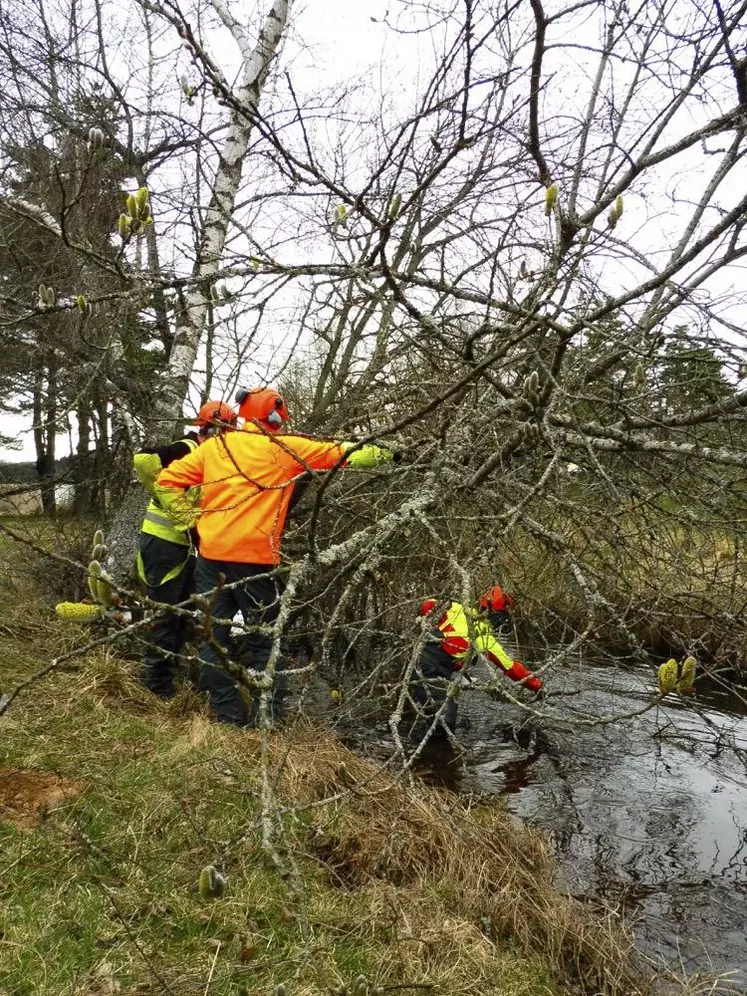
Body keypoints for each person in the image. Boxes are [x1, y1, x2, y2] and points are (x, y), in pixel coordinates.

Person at [154, 385, 396, 726]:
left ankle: (227, 716)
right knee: (265, 641)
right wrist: (392, 451)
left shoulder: (217, 447)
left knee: (212, 638)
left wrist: (188, 519)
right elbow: (344, 454)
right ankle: (269, 721)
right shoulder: (283, 449)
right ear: (276, 417)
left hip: (211, 558)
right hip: (255, 561)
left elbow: (166, 481)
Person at [133, 400, 238, 698]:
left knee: (184, 614)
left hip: (186, 547)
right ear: (211, 429)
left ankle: (171, 679)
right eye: (224, 431)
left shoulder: (212, 457)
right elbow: (143, 461)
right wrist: (169, 500)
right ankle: (156, 688)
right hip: (163, 544)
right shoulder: (187, 449)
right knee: (164, 614)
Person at [410, 585, 543, 739]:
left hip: (424, 665)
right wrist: (537, 687)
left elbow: (428, 604)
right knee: (445, 722)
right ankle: (423, 755)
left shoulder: (456, 608)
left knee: (440, 710)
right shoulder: (483, 637)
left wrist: (423, 617)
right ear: (498, 616)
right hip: (427, 669)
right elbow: (511, 668)